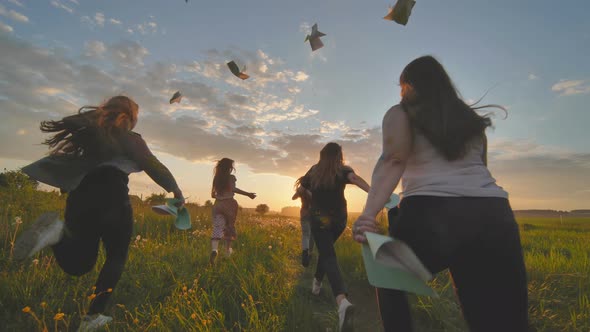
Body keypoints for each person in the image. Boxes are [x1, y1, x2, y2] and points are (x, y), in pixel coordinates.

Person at [352, 55, 528, 332]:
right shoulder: (470, 121)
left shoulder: (401, 113)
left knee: (387, 274)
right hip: (493, 216)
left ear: (409, 85)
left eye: (402, 86)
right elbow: (481, 168)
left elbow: (393, 160)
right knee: (502, 321)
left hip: (431, 212)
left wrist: (367, 215)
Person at [14, 96, 185, 331]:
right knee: (116, 255)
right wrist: (175, 189)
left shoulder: (89, 135)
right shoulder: (130, 139)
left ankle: (55, 234)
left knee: (79, 265)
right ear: (132, 118)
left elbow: (70, 166)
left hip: (79, 198)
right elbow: (152, 164)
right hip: (112, 197)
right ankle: (92, 317)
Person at [298, 142, 370, 332]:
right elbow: (355, 179)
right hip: (339, 219)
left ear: (322, 155)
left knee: (328, 254)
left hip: (320, 218)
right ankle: (317, 285)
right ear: (339, 155)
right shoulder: (343, 170)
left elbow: (302, 187)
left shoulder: (314, 170)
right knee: (326, 251)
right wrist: (375, 193)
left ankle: (342, 302)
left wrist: (302, 193)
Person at [209, 158, 256, 265]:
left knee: (217, 227)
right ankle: (227, 251)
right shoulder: (231, 178)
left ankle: (214, 250)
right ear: (230, 168)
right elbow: (234, 189)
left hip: (218, 205)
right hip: (229, 204)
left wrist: (220, 196)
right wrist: (248, 194)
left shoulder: (216, 178)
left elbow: (212, 195)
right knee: (229, 227)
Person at [292, 176, 314, 267]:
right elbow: (316, 200)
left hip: (304, 213)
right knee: (312, 235)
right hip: (314, 214)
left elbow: (293, 198)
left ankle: (305, 252)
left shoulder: (301, 190)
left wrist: (299, 191)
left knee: (306, 234)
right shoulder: (313, 188)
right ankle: (309, 254)